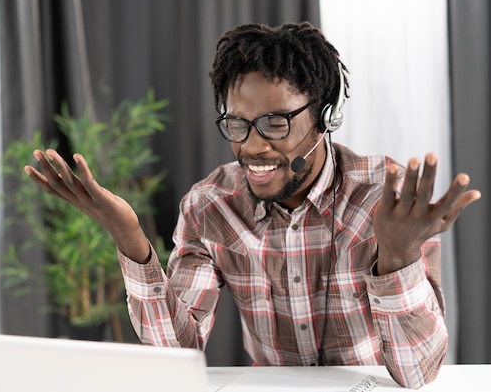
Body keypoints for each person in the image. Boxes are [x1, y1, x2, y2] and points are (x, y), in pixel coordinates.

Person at [24, 22, 481, 389]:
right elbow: (174, 354)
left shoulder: (388, 197)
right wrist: (129, 237)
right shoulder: (210, 207)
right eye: (238, 124)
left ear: (325, 117)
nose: (253, 147)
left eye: (275, 123)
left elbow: (418, 374)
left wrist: (397, 258)